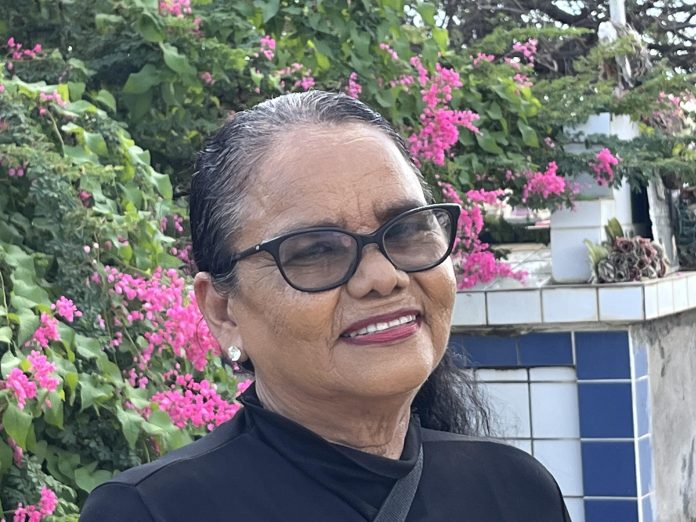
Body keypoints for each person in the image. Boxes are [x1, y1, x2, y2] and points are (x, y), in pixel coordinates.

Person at [80, 91, 571, 521]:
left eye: (406, 229)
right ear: (224, 311)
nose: (383, 277)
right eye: (315, 251)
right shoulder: (153, 512)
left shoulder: (515, 492)